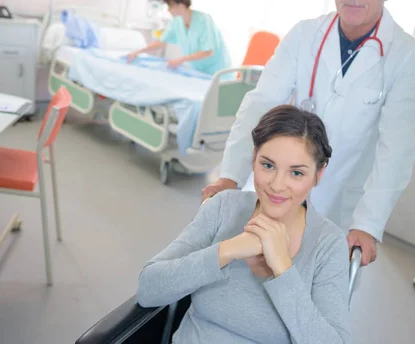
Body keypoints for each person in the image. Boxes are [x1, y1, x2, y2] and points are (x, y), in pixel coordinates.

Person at [202, 0, 415, 267]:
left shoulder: (406, 57)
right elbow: (261, 104)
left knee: (314, 294)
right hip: (280, 189)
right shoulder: (304, 35)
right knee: (254, 275)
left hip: (343, 206)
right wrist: (230, 176)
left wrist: (368, 224)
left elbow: (398, 148)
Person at [136, 105, 351, 344]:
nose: (277, 185)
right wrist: (227, 250)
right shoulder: (223, 207)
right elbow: (148, 289)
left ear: (318, 174)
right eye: (267, 165)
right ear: (254, 159)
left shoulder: (328, 244)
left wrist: (282, 269)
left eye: (296, 173)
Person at [126, 0, 232, 75]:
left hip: (218, 72)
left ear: (181, 5)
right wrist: (138, 51)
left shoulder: (204, 21)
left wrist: (180, 60)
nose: (168, 10)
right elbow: (160, 43)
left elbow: (208, 51)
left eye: (170, 6)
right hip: (199, 72)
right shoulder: (176, 23)